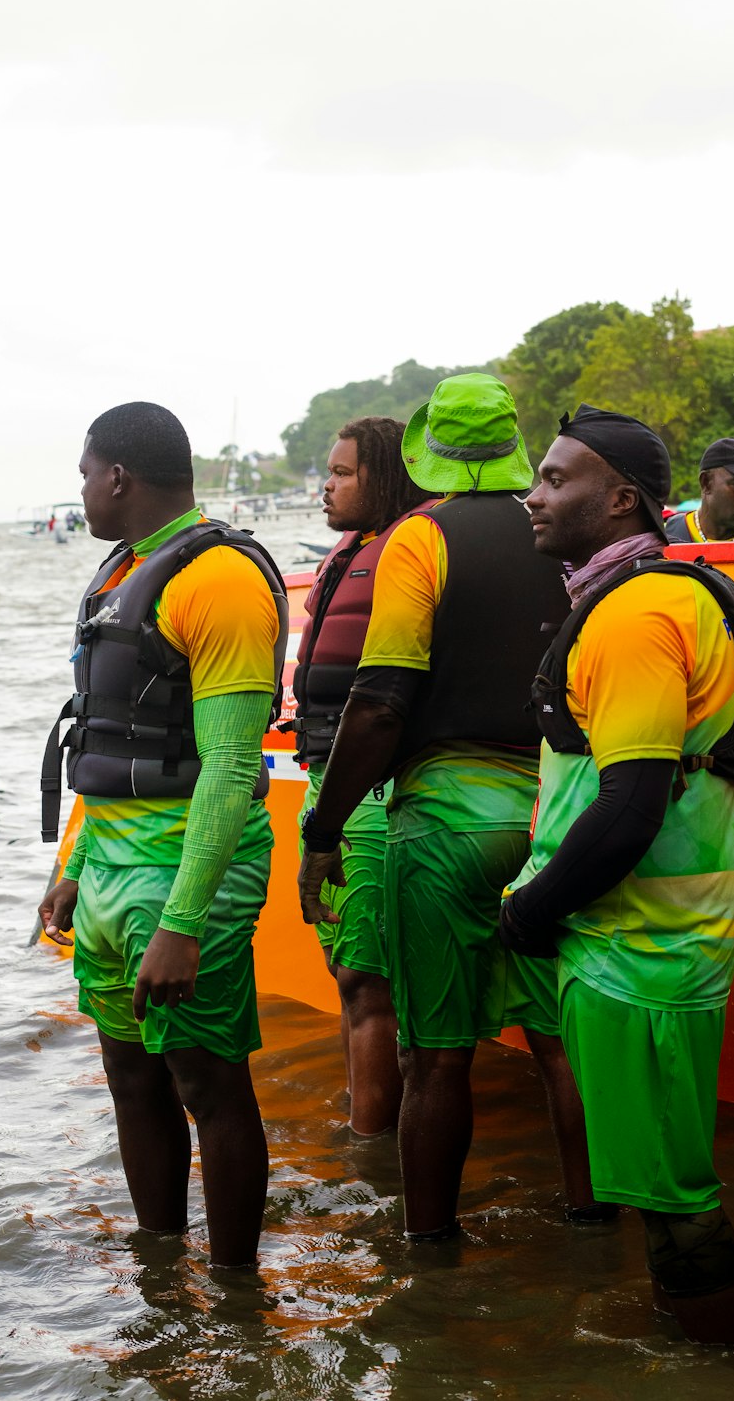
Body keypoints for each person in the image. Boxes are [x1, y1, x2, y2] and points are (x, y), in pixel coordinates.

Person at [297, 372, 598, 1238]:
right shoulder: (561, 535)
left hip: (445, 824)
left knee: (434, 1057)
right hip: (551, 821)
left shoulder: (420, 540)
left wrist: (325, 831)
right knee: (555, 1042)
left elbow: (382, 698)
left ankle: (428, 1259)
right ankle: (590, 1221)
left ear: (434, 451)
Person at [501, 403, 734, 1345]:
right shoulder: (650, 595)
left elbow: (632, 805)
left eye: (556, 479)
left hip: (644, 944)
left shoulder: (640, 613)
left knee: (677, 1199)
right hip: (640, 938)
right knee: (660, 1184)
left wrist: (531, 911)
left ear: (620, 501)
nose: (534, 494)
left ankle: (712, 1366)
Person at [38, 402, 287, 1267]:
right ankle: (159, 1276)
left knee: (206, 1082)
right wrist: (72, 861)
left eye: (84, 473)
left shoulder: (219, 580)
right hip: (110, 860)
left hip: (189, 865)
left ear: (117, 478)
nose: (80, 489)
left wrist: (183, 921)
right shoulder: (121, 573)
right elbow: (102, 742)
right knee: (130, 1076)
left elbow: (227, 765)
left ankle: (234, 1295)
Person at [289, 416, 428, 1135]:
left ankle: (371, 1158)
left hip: (372, 790)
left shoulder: (414, 548)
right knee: (349, 974)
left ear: (384, 474)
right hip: (329, 780)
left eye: (342, 473)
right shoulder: (356, 551)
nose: (327, 486)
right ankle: (362, 1129)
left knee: (368, 983)